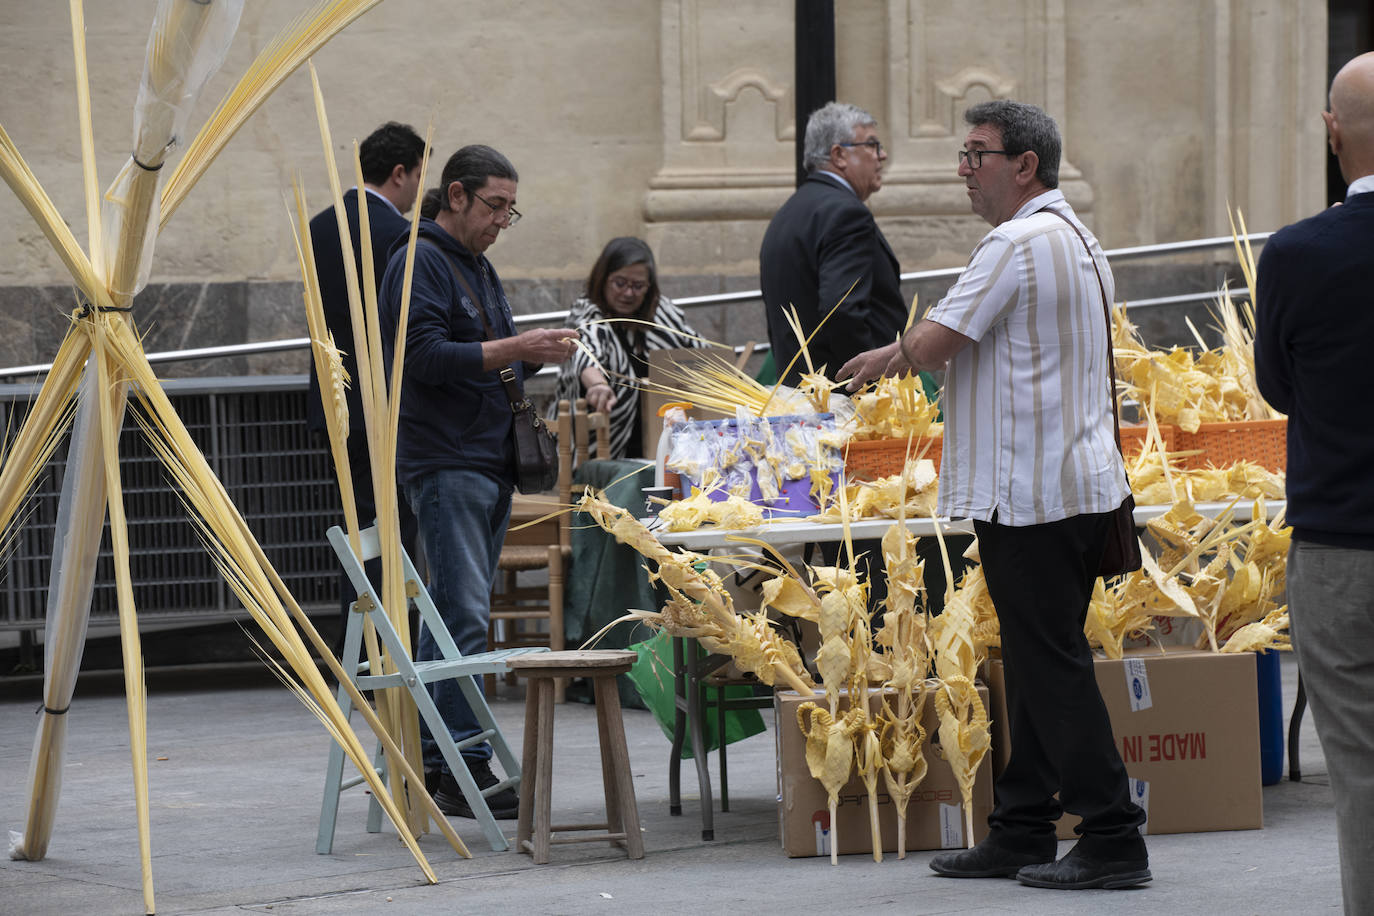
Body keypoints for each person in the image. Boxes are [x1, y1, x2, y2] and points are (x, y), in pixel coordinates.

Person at [841, 99, 1150, 890]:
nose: (964, 168)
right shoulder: (1078, 237)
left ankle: (1112, 835)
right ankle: (1021, 828)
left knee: (1051, 665)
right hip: (1076, 487)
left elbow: (940, 340)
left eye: (978, 153)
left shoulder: (1013, 243)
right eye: (964, 152)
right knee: (1044, 656)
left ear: (1025, 165)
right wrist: (900, 349)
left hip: (1034, 494)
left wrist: (885, 358)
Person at [378, 144, 578, 820]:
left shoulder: (476, 265)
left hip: (486, 460)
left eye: (509, 210)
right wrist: (521, 350)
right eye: (495, 205)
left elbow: (491, 358)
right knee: (458, 612)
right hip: (446, 460)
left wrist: (535, 359)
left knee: (456, 613)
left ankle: (447, 760)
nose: (501, 220)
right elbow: (426, 357)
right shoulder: (420, 259)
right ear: (455, 195)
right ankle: (460, 762)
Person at [1254, 51, 1374, 914]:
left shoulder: (1298, 254)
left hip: (1341, 542)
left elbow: (1277, 387)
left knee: (1361, 769)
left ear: (1333, 134)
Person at [306, 122, 425, 647]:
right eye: (421, 175)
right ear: (400, 172)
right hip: (384, 408)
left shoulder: (319, 225)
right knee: (394, 535)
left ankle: (357, 648)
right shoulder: (397, 233)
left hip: (335, 403)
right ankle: (393, 648)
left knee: (356, 534)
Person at [759, 101, 906, 386]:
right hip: (844, 401)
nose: (882, 155)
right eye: (873, 145)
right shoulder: (846, 213)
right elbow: (843, 310)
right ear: (839, 155)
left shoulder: (791, 210)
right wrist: (871, 385)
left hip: (802, 393)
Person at [554, 237, 704, 459]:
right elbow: (585, 352)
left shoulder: (661, 313)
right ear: (603, 279)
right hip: (601, 454)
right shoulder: (587, 313)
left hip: (659, 450)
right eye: (619, 283)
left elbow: (700, 351)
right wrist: (597, 385)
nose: (628, 293)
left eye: (638, 286)